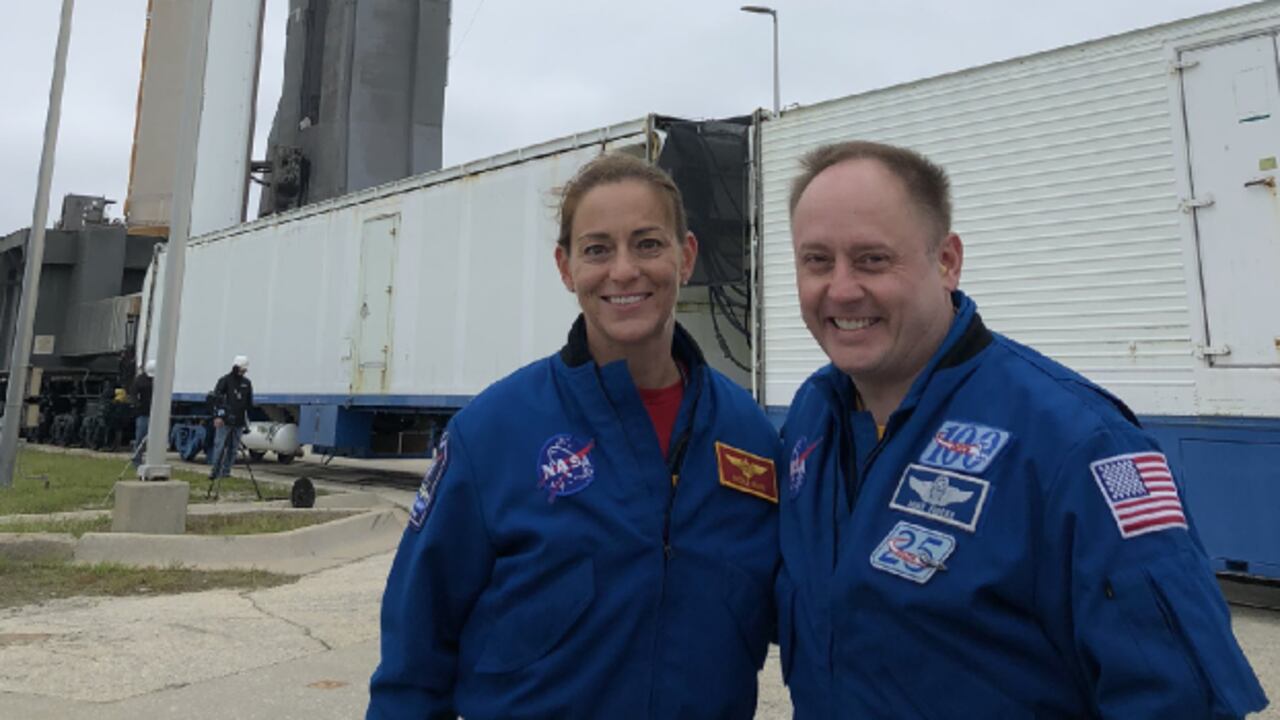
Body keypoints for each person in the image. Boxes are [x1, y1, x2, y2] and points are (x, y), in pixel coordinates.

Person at [775, 141, 1268, 718]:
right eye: (817, 261)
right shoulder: (810, 421)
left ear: (946, 262)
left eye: (872, 260)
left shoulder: (1078, 445)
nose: (840, 289)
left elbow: (1180, 700)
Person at [368, 154, 780, 719]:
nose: (624, 271)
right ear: (566, 268)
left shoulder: (750, 438)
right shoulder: (492, 434)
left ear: (685, 256)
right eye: (597, 249)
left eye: (648, 244)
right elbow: (412, 664)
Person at [209, 355, 253, 479]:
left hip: (239, 421)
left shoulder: (247, 383)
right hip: (224, 421)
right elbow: (216, 399)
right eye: (242, 369)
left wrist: (247, 421)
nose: (244, 371)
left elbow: (248, 403)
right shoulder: (225, 380)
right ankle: (215, 472)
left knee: (233, 449)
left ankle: (226, 472)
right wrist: (217, 416)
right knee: (220, 446)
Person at [129, 360, 155, 465]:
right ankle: (137, 460)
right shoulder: (139, 381)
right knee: (140, 437)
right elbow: (133, 394)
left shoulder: (158, 380)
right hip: (143, 413)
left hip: (155, 413)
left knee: (154, 439)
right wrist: (137, 404)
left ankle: (152, 460)